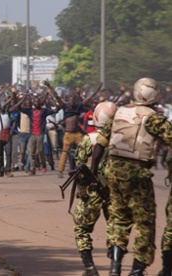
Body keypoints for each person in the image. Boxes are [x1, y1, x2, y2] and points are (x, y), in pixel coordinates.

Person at [91, 78, 172, 276]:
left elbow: (100, 143)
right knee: (144, 221)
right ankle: (137, 270)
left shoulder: (119, 112)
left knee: (119, 218)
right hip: (137, 172)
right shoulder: (154, 118)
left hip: (113, 170)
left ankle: (114, 267)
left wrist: (93, 172)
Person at [72, 101, 117, 276]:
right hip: (114, 192)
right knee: (116, 229)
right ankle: (115, 266)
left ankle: (90, 267)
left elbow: (79, 164)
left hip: (92, 193)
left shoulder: (88, 139)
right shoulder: (120, 140)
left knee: (81, 228)